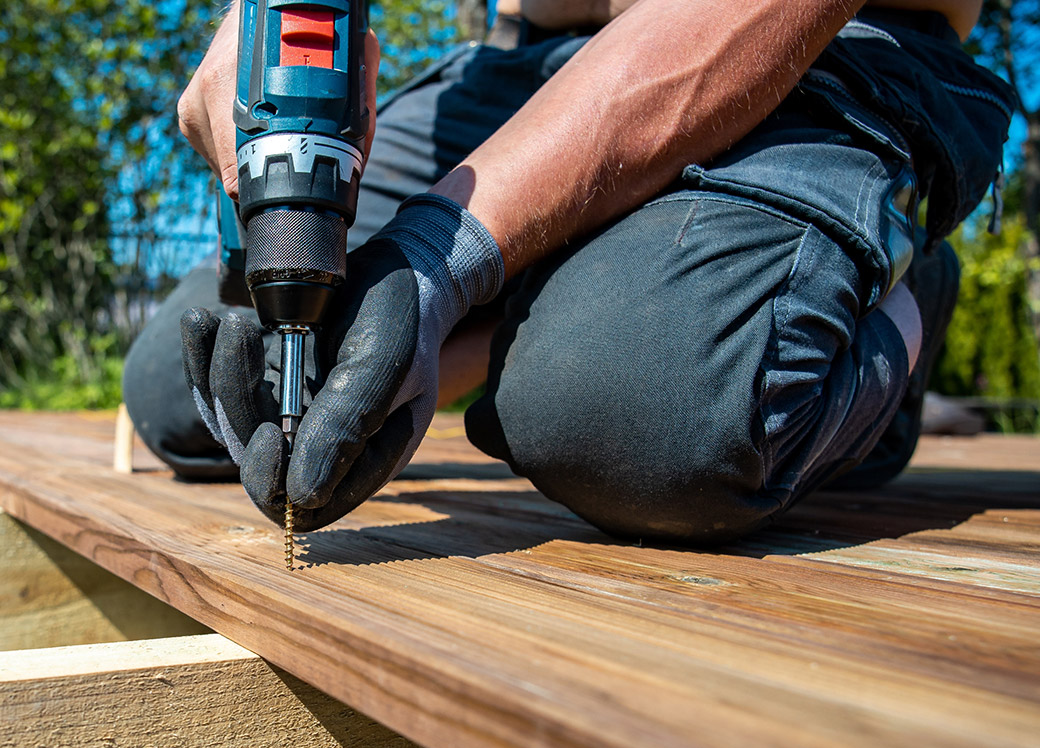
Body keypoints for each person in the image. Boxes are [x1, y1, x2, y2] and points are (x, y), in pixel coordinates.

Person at [122, 0, 1015, 543]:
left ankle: (898, 293)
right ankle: (539, 296)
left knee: (644, 413)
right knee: (190, 388)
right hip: (527, 64)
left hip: (816, 44)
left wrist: (439, 257)